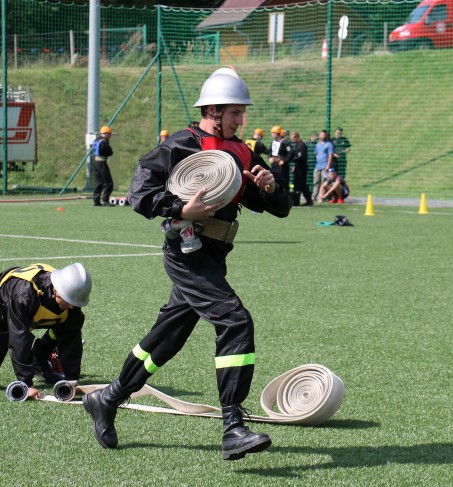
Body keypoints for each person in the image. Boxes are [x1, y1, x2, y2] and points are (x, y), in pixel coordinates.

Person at [82, 68, 293, 460]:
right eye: (234, 112)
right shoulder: (181, 144)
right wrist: (181, 207)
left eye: (242, 112)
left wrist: (270, 188)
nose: (241, 119)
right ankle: (233, 426)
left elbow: (279, 209)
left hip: (214, 255)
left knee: (167, 337)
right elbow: (139, 193)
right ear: (212, 109)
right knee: (235, 321)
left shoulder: (244, 151)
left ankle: (107, 398)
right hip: (186, 251)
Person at [0, 263, 92, 399]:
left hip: (30, 309)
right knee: (6, 335)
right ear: (56, 291)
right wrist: (26, 384)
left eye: (75, 303)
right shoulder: (24, 295)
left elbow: (71, 339)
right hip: (4, 307)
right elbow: (19, 337)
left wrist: (71, 380)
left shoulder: (69, 297)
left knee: (71, 323)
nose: (72, 306)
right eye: (69, 301)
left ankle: (39, 358)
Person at [92, 125, 114, 207]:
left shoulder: (97, 140)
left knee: (99, 182)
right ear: (106, 134)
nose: (110, 136)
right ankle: (105, 200)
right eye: (109, 134)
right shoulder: (104, 142)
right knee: (109, 183)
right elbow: (110, 152)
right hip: (102, 162)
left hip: (96, 162)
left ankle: (96, 200)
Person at [289, 131, 313, 206]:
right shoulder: (298, 145)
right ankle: (303, 200)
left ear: (296, 137)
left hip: (301, 168)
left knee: (301, 184)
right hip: (298, 167)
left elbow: (301, 157)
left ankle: (304, 201)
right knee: (300, 184)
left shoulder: (302, 145)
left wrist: (291, 159)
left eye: (293, 139)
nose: (292, 141)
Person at [312, 130, 334, 203]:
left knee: (323, 182)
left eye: (324, 135)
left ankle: (321, 197)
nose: (323, 136)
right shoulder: (317, 144)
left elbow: (330, 155)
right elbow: (316, 154)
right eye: (322, 135)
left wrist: (328, 165)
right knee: (316, 182)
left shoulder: (329, 144)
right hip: (317, 166)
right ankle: (314, 196)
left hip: (325, 166)